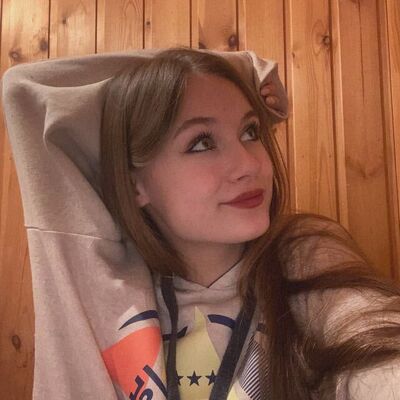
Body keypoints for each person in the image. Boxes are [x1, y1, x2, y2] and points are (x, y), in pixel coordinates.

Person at [100, 46, 400, 399]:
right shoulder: (110, 290)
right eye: (202, 143)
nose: (250, 165)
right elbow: (36, 94)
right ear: (135, 184)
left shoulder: (302, 253)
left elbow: (370, 336)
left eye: (250, 132)